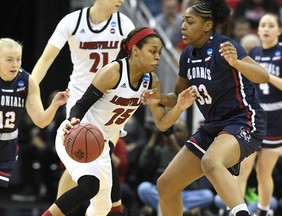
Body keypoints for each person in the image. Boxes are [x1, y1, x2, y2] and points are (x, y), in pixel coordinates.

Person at [41, 27, 196, 216]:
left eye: (159, 53)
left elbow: (162, 124)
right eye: (152, 51)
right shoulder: (113, 71)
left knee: (103, 207)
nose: (157, 57)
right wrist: (73, 122)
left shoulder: (151, 81)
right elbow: (81, 105)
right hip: (77, 134)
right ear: (136, 51)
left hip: (101, 146)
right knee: (90, 185)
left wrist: (179, 106)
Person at [141, 0, 270, 215]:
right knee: (166, 185)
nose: (183, 26)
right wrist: (160, 99)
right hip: (213, 126)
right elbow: (178, 97)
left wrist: (237, 63)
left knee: (211, 162)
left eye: (190, 22)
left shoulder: (224, 46)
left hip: (244, 120)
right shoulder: (187, 56)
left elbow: (263, 76)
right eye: (183, 21)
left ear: (207, 25)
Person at [31, 0, 135, 215]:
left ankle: (95, 209)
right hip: (80, 99)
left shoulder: (124, 23)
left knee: (95, 159)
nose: (121, 1)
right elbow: (45, 60)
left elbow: (136, 62)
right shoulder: (72, 21)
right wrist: (27, 87)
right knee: (82, 158)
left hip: (110, 101)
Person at [231, 13, 282, 216]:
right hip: (254, 115)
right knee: (243, 168)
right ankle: (237, 211)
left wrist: (267, 76)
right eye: (263, 25)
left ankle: (263, 211)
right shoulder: (253, 52)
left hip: (276, 116)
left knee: (263, 171)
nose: (265, 28)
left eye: (270, 25)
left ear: (279, 30)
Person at [0, 38, 69, 188]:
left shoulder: (26, 81)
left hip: (8, 144)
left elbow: (41, 121)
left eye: (18, 59)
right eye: (9, 60)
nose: (15, 64)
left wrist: (54, 105)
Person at [137, 120, 214, 215]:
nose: (174, 134)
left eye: (178, 130)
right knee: (143, 188)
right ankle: (183, 209)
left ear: (187, 133)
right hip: (163, 192)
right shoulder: (161, 149)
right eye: (173, 131)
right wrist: (155, 134)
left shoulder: (194, 152)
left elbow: (194, 183)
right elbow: (143, 163)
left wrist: (173, 143)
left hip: (187, 193)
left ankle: (169, 207)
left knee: (207, 195)